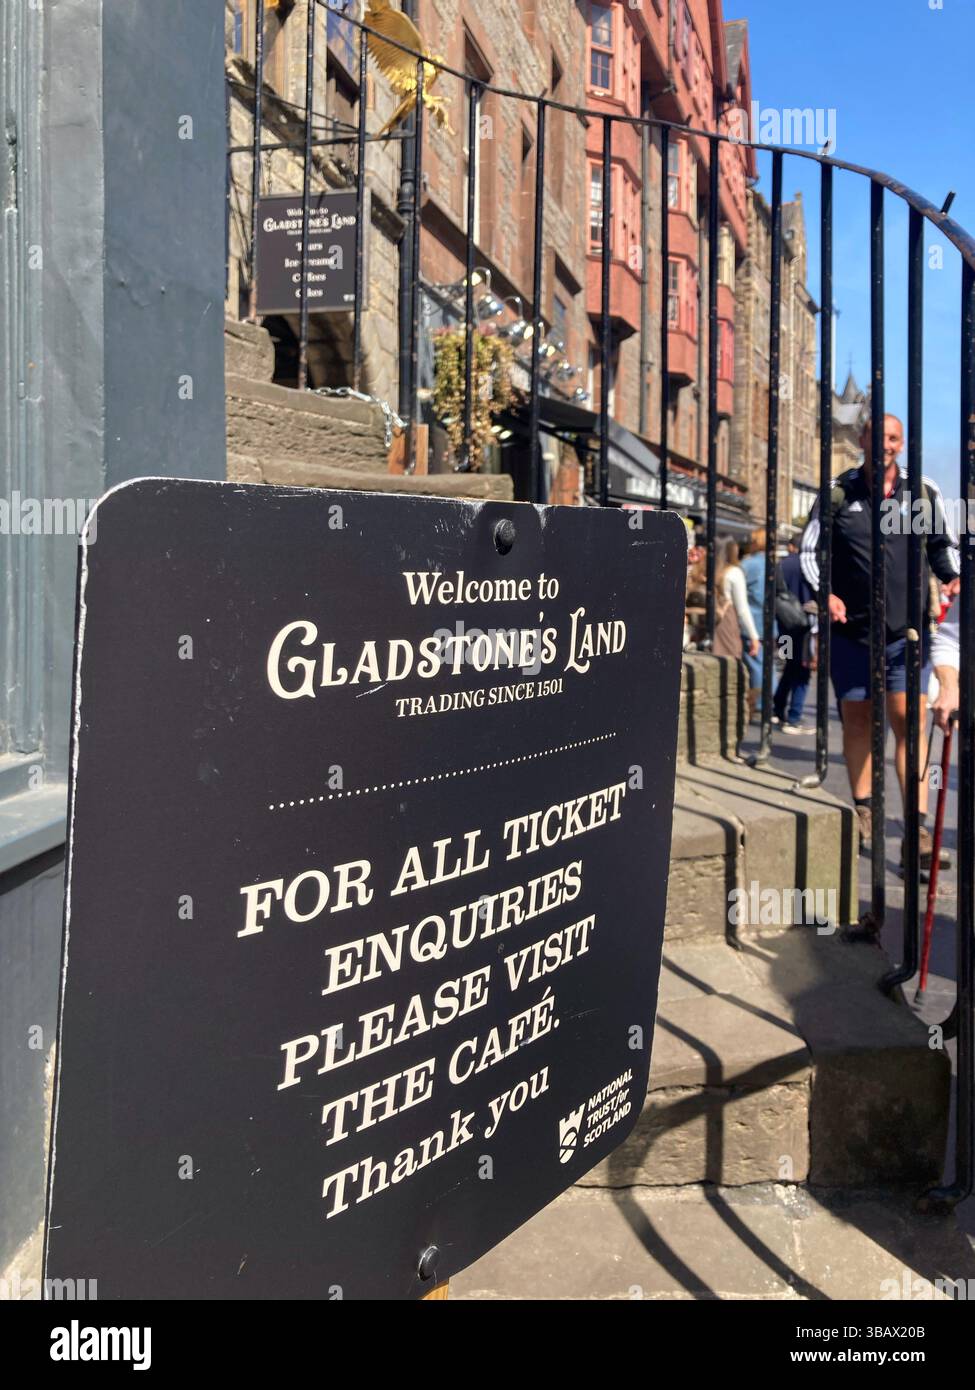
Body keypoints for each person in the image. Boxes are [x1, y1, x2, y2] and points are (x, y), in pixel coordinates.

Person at [799, 413, 961, 867]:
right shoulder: (837, 492)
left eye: (893, 438)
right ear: (862, 439)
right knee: (856, 720)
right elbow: (812, 551)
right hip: (852, 631)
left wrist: (952, 578)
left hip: (905, 633)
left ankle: (918, 829)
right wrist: (824, 592)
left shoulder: (921, 492)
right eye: (877, 437)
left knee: (909, 721)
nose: (884, 445)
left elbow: (939, 546)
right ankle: (865, 809)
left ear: (901, 443)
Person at [773, 539, 814, 735]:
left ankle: (777, 709)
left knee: (789, 666)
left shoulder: (782, 565)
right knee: (802, 670)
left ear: (791, 546)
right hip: (805, 628)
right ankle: (794, 717)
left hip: (784, 626)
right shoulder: (811, 565)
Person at [739, 530, 767, 722]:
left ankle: (759, 702)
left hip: (752, 620)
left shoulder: (748, 565)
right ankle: (766, 698)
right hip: (768, 620)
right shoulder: (773, 564)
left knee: (756, 663)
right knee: (765, 662)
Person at [719, 538, 759, 667]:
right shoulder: (734, 573)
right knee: (730, 665)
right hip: (727, 624)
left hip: (709, 624)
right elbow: (742, 609)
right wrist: (754, 636)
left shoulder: (708, 571)